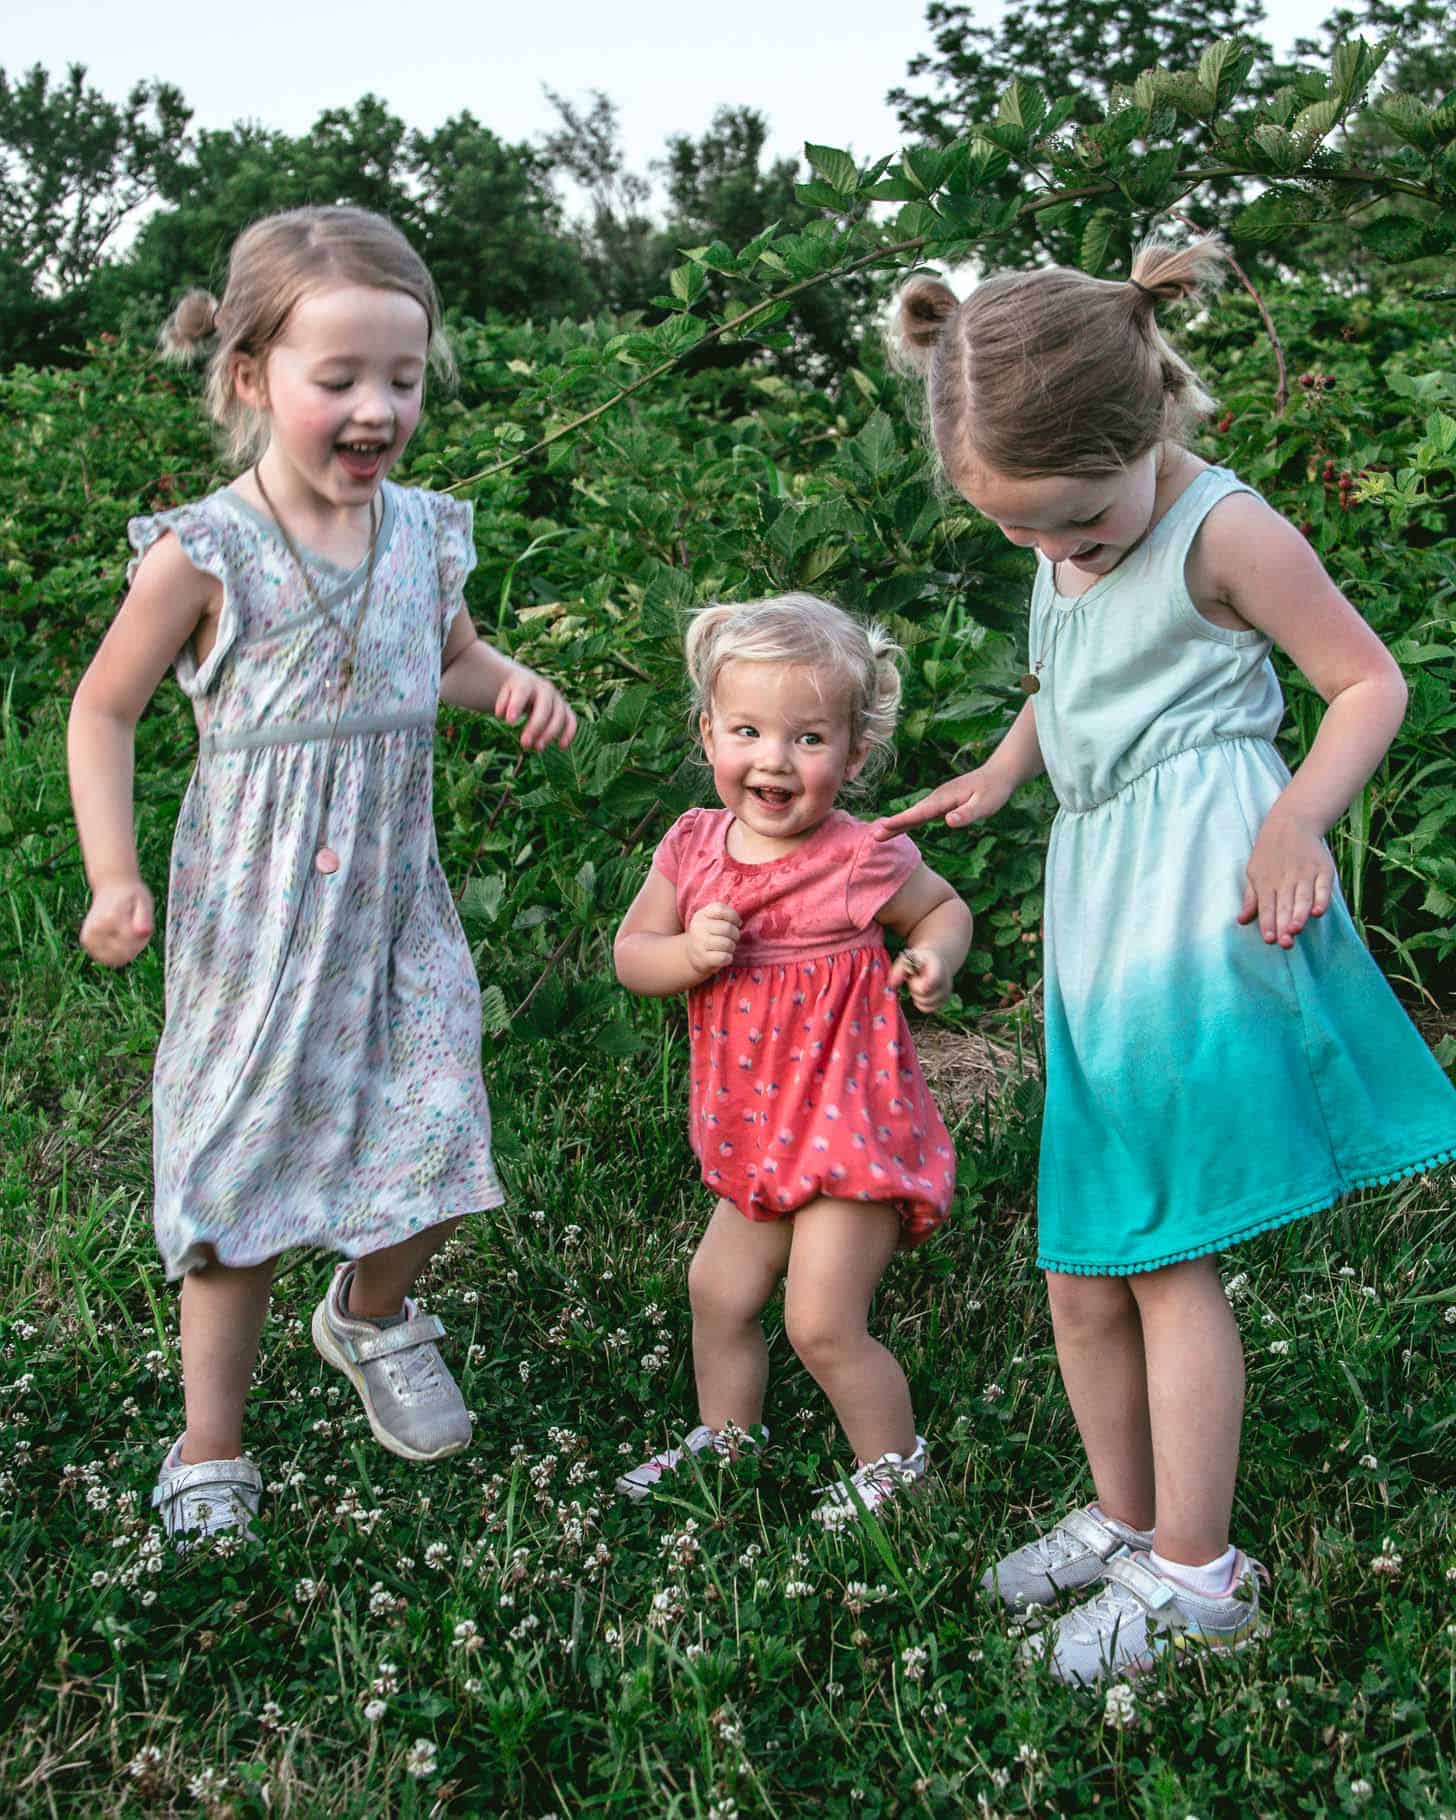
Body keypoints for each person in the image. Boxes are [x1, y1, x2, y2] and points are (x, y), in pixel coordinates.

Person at [883, 237, 1456, 1681]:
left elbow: (1366, 682)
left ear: (1144, 430)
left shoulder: (1222, 529)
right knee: (1088, 1251)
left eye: (1074, 527)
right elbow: (1067, 674)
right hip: (1103, 898)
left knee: (1162, 1248)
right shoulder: (1058, 531)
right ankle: (1127, 1517)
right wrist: (1011, 769)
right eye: (1023, 534)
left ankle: (1201, 1573)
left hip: (1205, 890)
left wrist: (1297, 824)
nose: (1054, 553)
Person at [67, 205, 577, 1546]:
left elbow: (451, 657)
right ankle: (211, 1442)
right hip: (257, 916)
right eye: (338, 379)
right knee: (235, 1176)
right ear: (252, 378)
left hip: (391, 912)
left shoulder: (420, 536)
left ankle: (369, 1312)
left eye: (401, 381)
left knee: (440, 1127)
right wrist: (114, 876)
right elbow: (102, 710)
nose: (377, 409)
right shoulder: (204, 552)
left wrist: (507, 684)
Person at [613, 594, 972, 1523]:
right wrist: (686, 953)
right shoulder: (692, 848)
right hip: (755, 1131)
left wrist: (934, 956)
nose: (773, 759)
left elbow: (943, 908)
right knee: (716, 1292)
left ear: (853, 755)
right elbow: (630, 955)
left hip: (850, 1130)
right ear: (709, 734)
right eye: (748, 731)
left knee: (820, 1321)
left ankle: (894, 1472)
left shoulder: (859, 857)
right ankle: (727, 1442)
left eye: (808, 739)